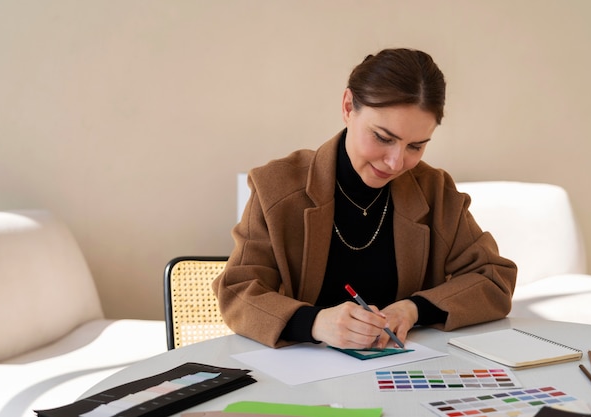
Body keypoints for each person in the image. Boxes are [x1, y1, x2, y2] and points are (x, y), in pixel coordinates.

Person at [212, 48, 517, 350]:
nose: (396, 163)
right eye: (383, 138)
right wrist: (316, 323)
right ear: (348, 107)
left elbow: (494, 279)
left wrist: (413, 309)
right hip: (302, 378)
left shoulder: (435, 190)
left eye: (416, 146)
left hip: (404, 374)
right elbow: (237, 291)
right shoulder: (276, 187)